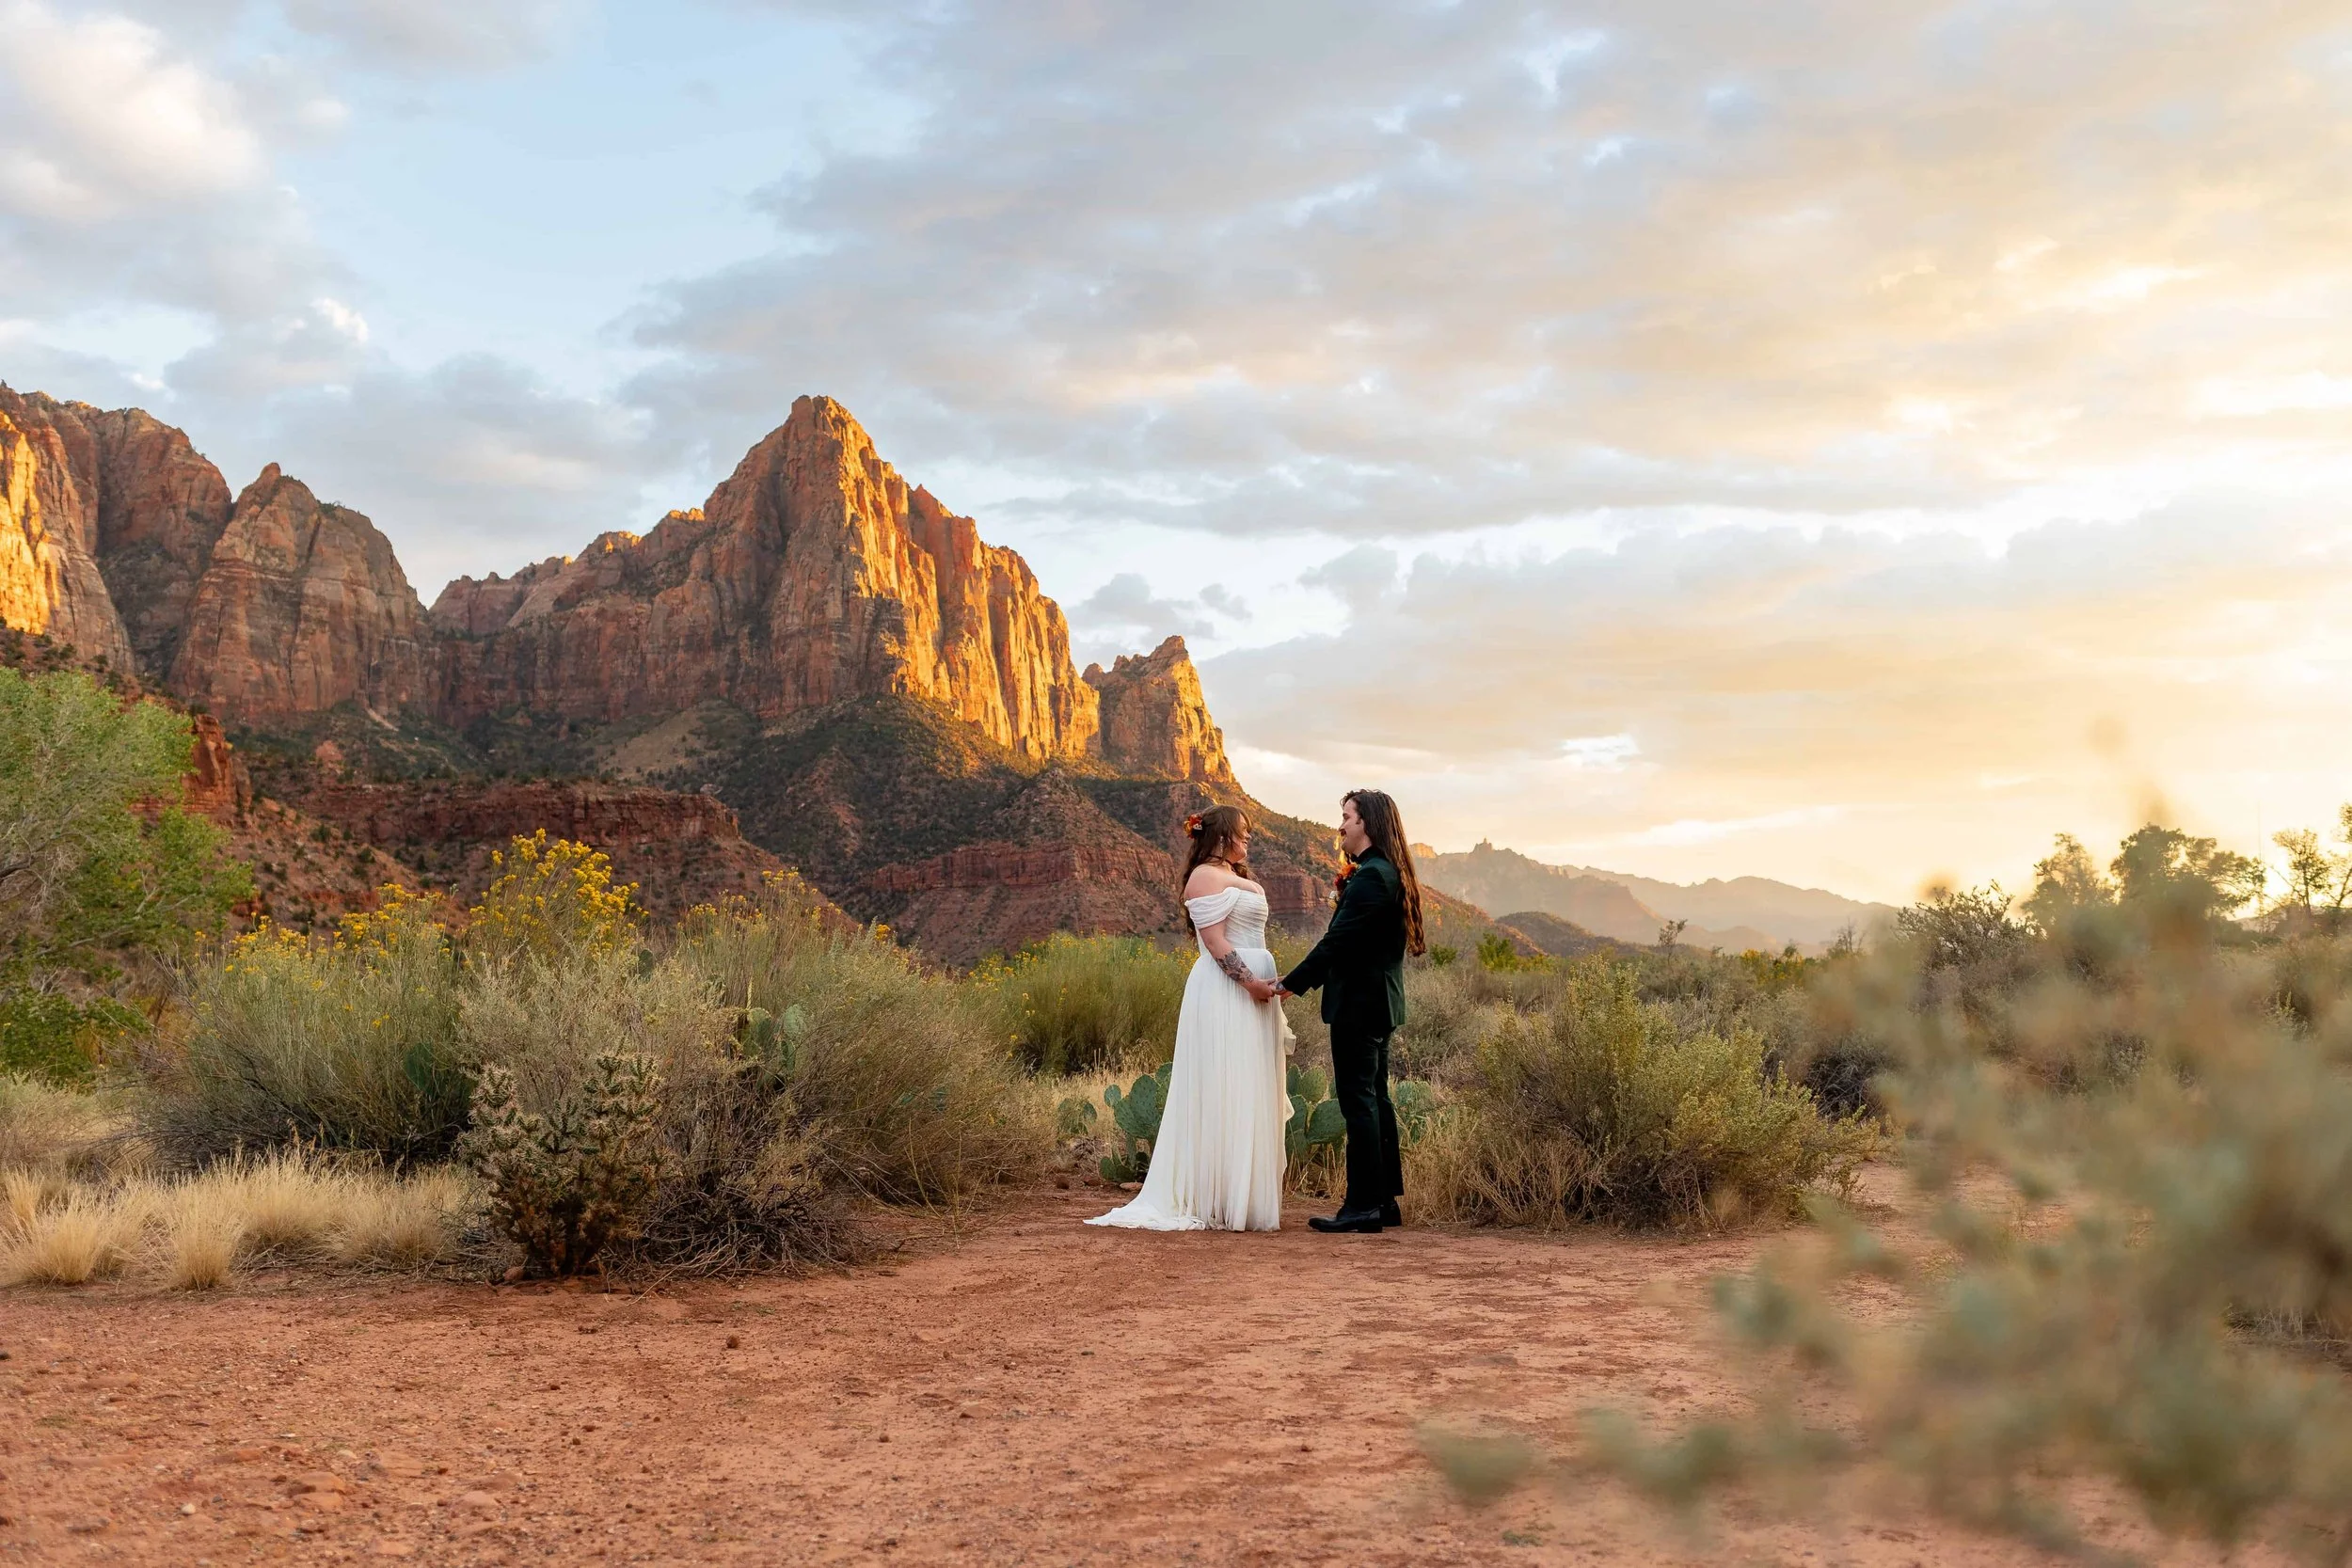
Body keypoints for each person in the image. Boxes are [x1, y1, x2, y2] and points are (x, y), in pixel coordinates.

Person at [1085, 804, 1291, 1231]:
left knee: (1248, 1082)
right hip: (1224, 991)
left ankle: (1240, 1196)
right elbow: (1215, 943)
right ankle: (1211, 1195)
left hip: (1254, 989)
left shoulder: (1239, 877)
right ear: (1221, 835)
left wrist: (1270, 981)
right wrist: (1252, 982)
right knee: (1222, 1081)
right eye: (1243, 831)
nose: (1248, 839)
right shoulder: (1204, 877)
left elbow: (1250, 936)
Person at [1276, 788, 1425, 1234]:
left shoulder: (1372, 878)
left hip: (1360, 1005)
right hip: (1378, 1002)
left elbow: (1337, 943)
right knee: (1374, 1100)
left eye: (1346, 817)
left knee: (1358, 1103)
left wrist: (1289, 983)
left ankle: (1362, 1206)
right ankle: (1382, 1203)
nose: (1340, 826)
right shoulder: (1382, 872)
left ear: (1366, 824)